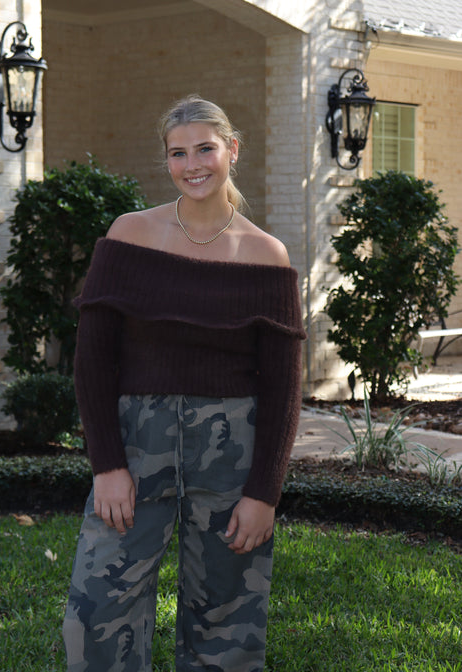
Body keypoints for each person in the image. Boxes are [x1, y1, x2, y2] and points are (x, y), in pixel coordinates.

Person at [63, 94, 306, 672]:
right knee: (99, 609)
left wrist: (263, 492)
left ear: (232, 151)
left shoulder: (266, 256)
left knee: (228, 617)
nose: (193, 164)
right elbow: (92, 360)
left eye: (205, 148)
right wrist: (107, 465)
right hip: (134, 444)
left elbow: (282, 388)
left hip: (232, 452)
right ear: (166, 161)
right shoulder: (128, 236)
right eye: (178, 153)